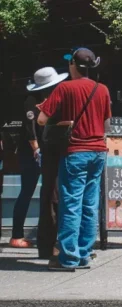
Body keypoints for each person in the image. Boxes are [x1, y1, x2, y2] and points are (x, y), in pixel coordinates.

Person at [36, 48, 110, 271]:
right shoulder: (102, 89)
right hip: (98, 151)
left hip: (75, 151)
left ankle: (68, 258)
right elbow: (107, 125)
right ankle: (85, 254)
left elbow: (41, 120)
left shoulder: (64, 88)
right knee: (89, 205)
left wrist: (63, 124)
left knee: (71, 205)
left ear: (72, 66)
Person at [10, 67, 68, 251]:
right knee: (27, 191)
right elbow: (30, 129)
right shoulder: (31, 101)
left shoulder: (51, 100)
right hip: (31, 154)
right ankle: (17, 234)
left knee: (51, 192)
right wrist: (36, 150)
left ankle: (53, 234)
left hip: (47, 151)